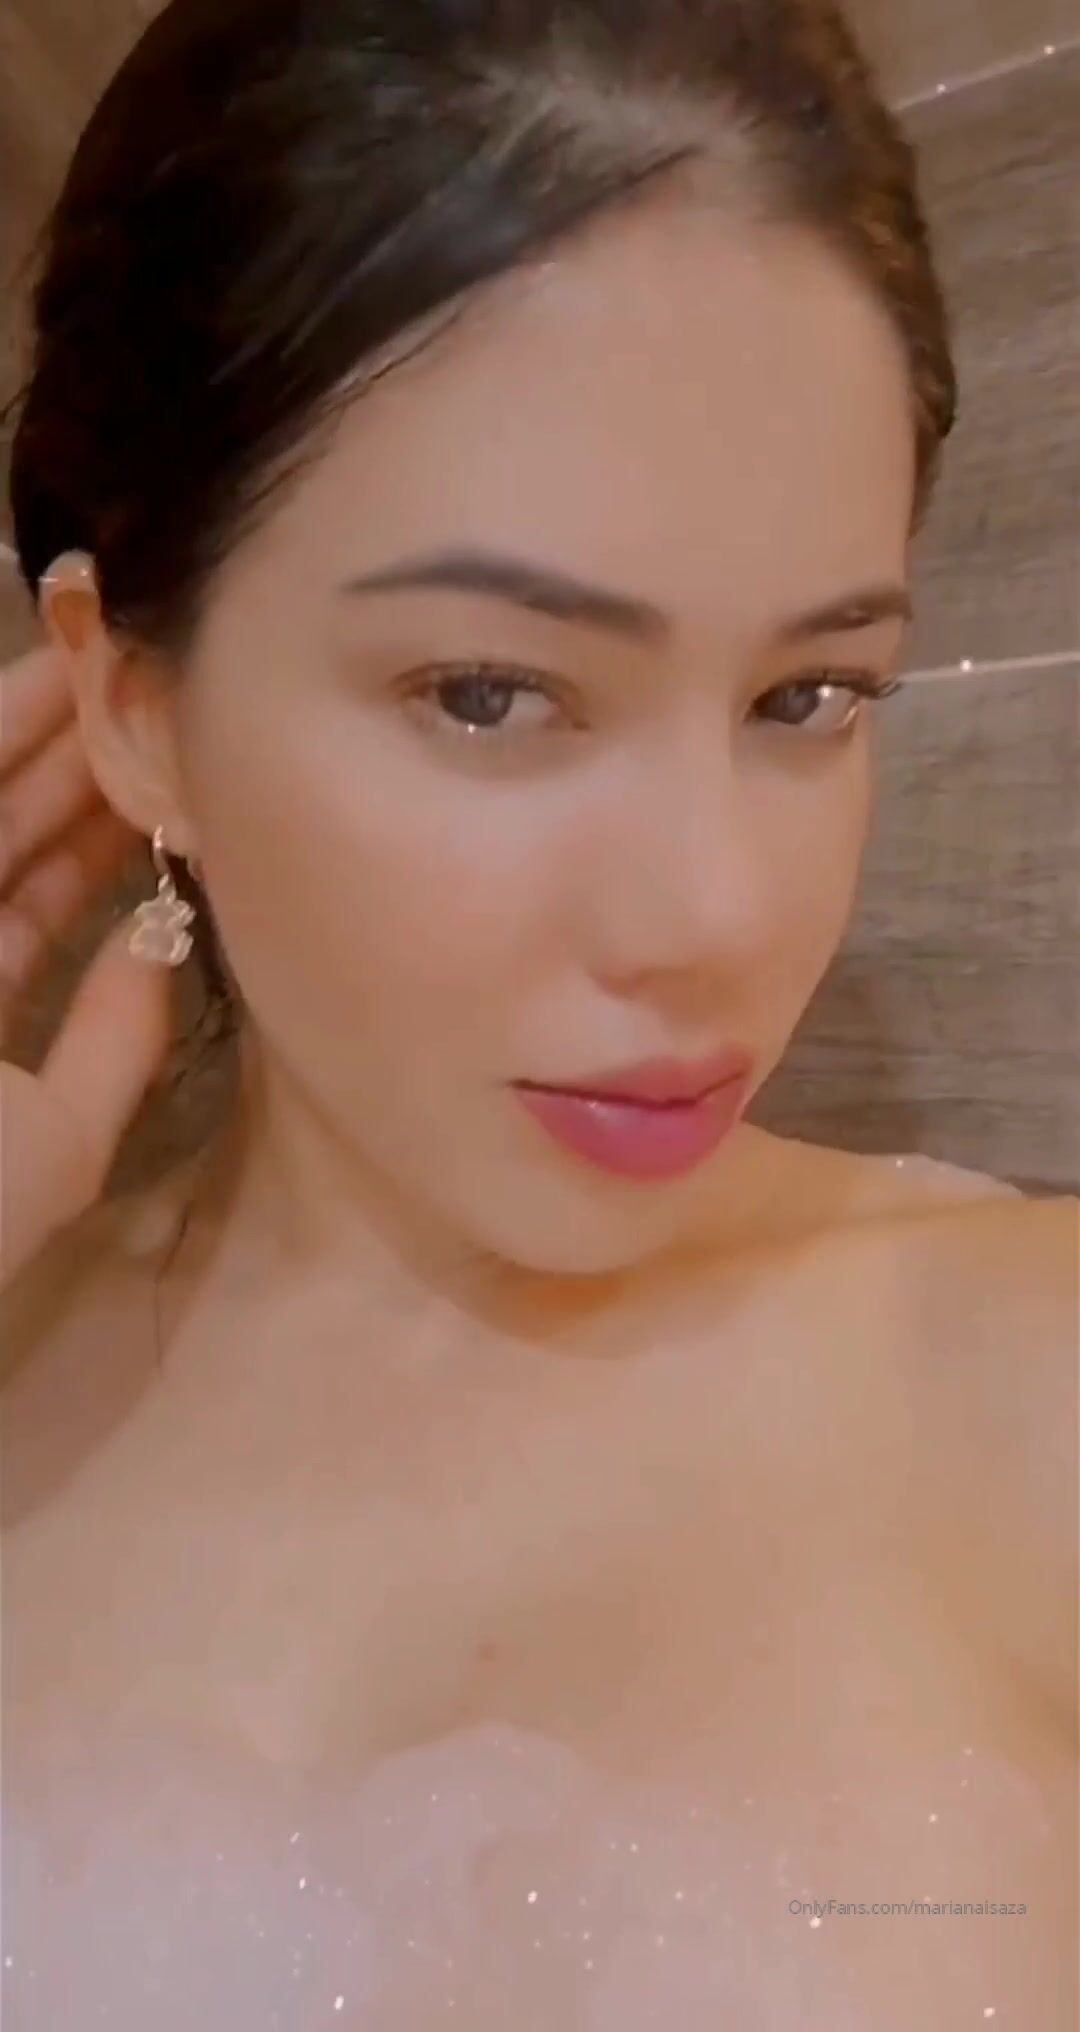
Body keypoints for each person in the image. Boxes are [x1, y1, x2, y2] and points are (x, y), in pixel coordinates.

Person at [0, 1, 1075, 2026]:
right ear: (132, 701)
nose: (718, 915)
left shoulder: (1036, 1378)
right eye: (492, 693)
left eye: (808, 696)